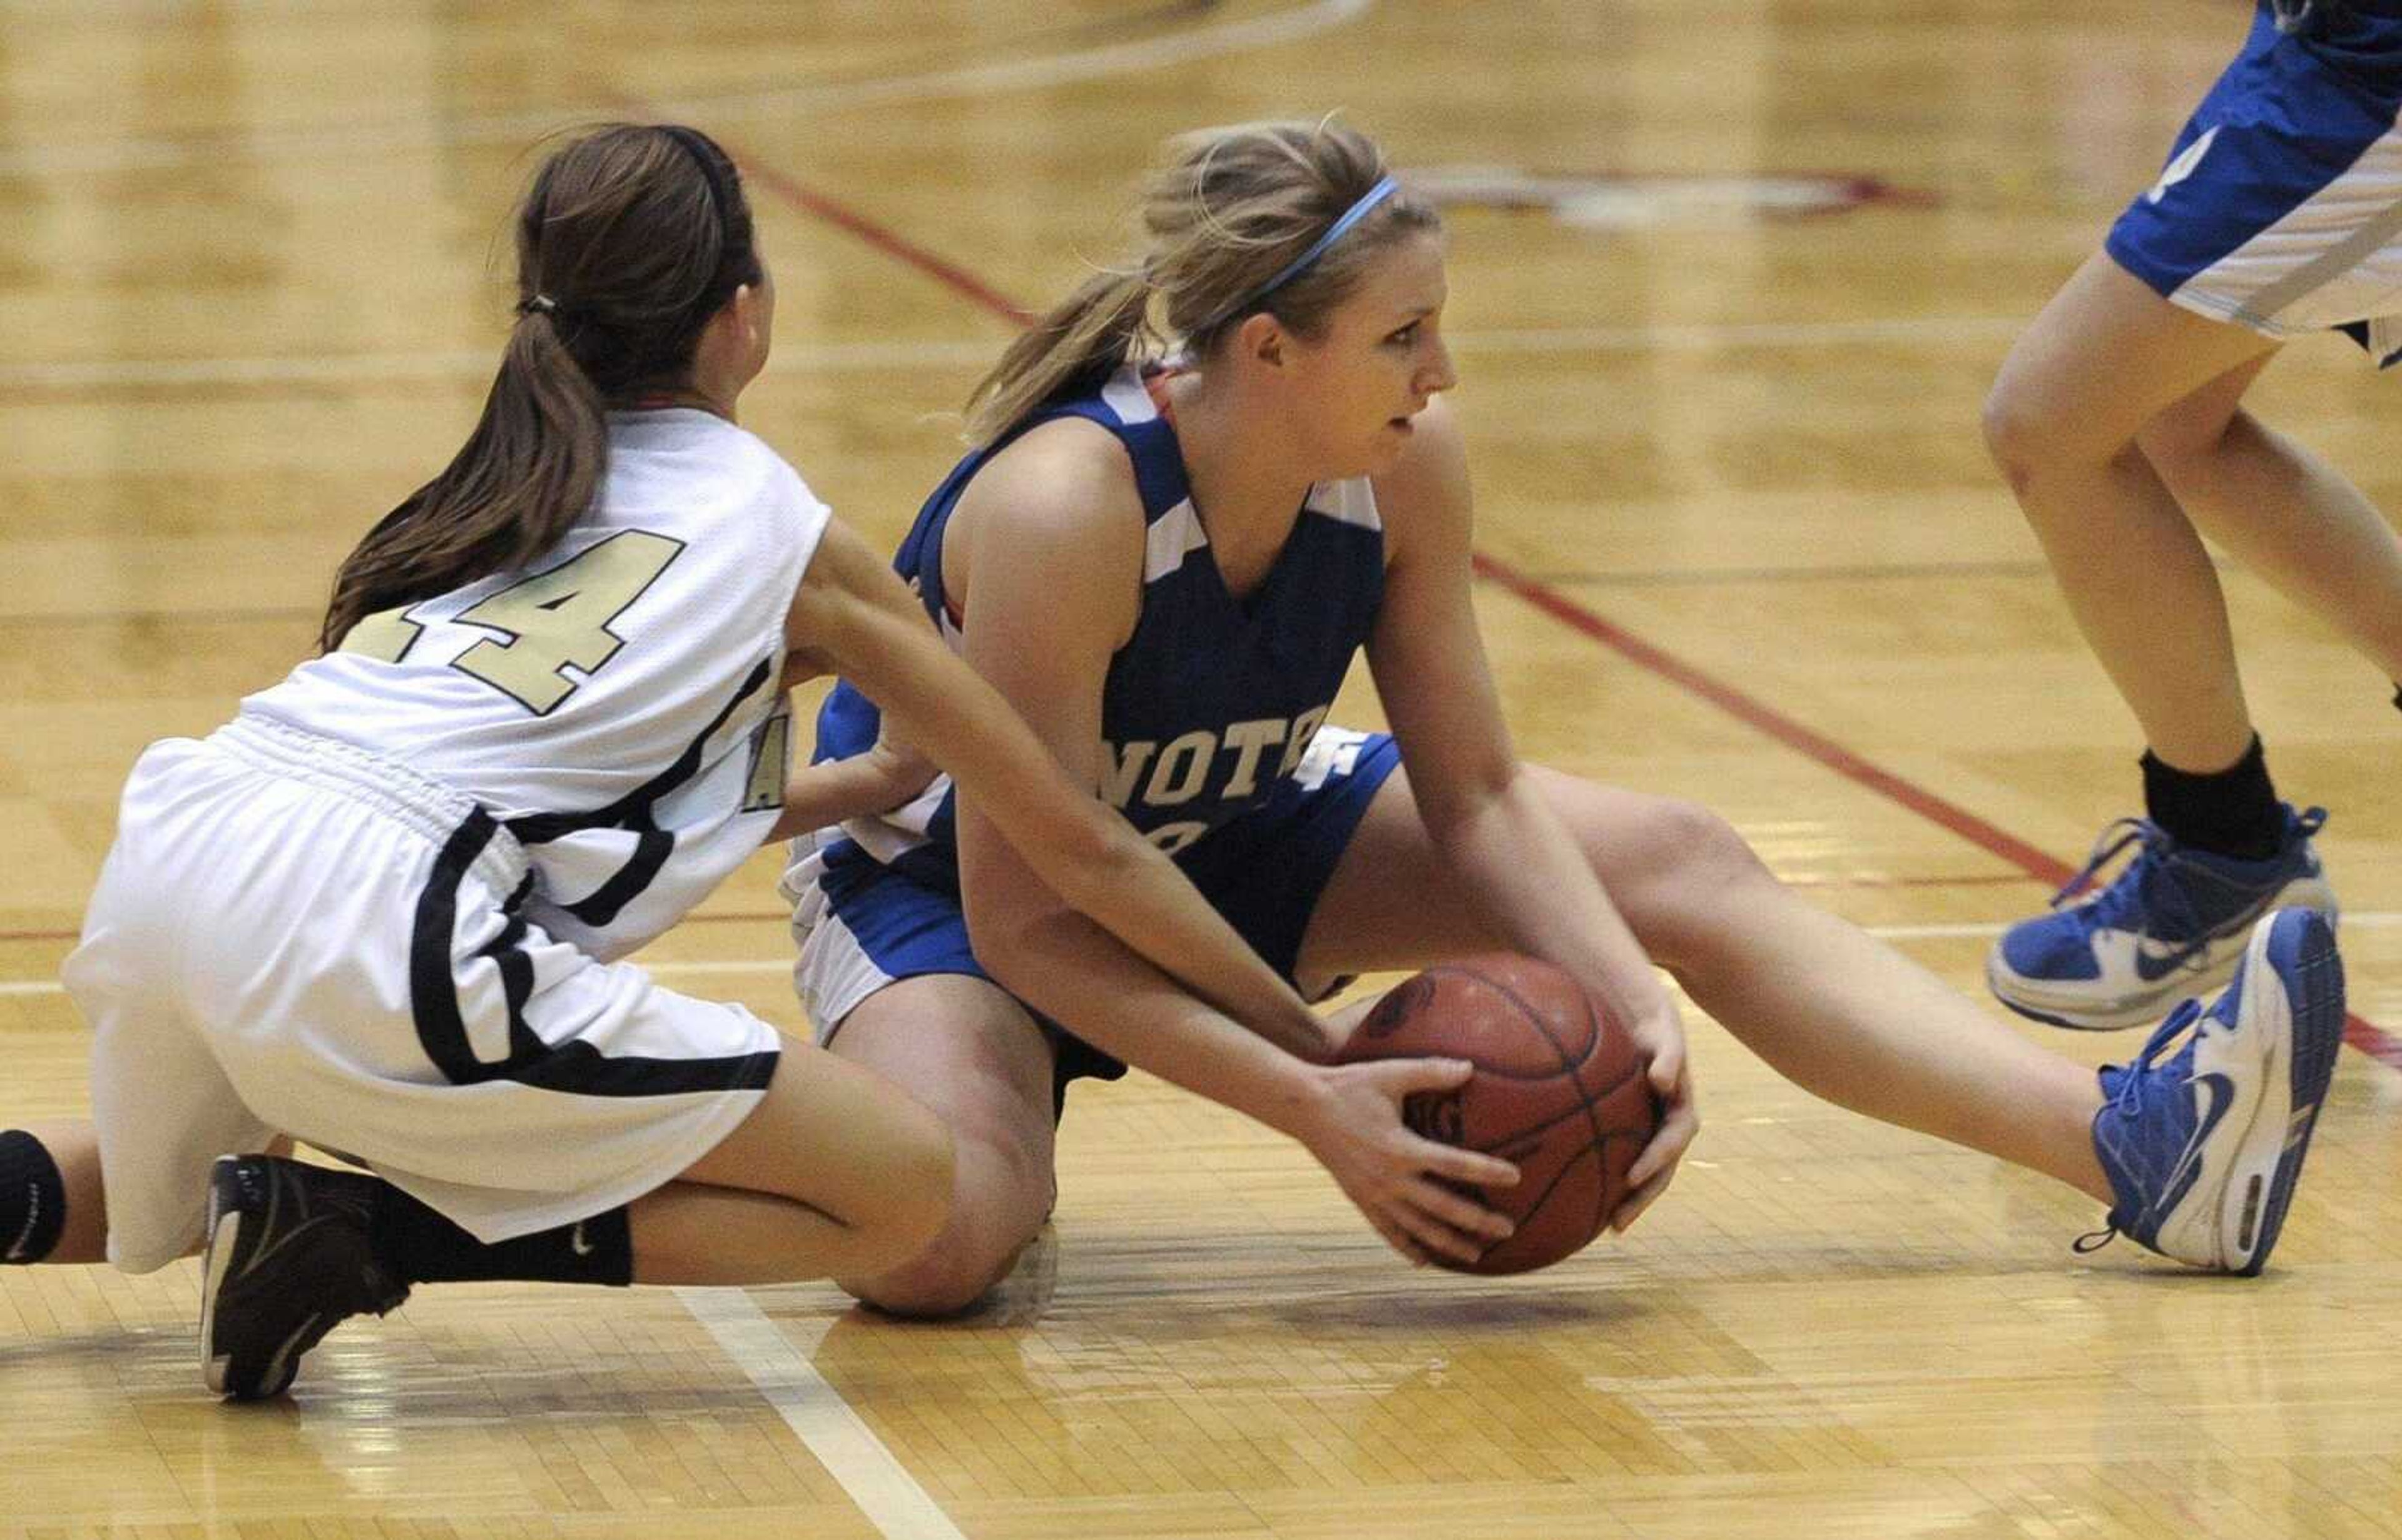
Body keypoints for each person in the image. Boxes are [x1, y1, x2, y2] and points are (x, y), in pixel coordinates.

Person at [0, 122, 1509, 1402]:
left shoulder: (510, 489)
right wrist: (1316, 1059)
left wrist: (854, 787)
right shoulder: (780, 528)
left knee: (173, 1198)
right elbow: (1084, 844)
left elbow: (555, 776)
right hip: (384, 916)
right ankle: (369, 1229)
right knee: (909, 1189)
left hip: (191, 848)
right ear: (746, 318)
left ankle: (165, 1202)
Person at [781, 119, 2351, 1317]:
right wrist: (1320, 1090)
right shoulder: (1069, 502)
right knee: (945, 1247)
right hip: (961, 903)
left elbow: (1476, 794)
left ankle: (2145, 1147)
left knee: (1675, 856)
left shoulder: (1403, 457)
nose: (1442, 367)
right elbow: (1045, 916)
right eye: (1403, 336)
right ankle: (654, 1120)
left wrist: (1631, 1000)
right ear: (1269, 349)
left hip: (1231, 823)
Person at [1979, 0, 2402, 1030]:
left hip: (2372, 73)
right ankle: (2229, 851)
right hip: (2321, 42)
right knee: (2175, 419)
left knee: (2052, 423)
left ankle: (2224, 849)